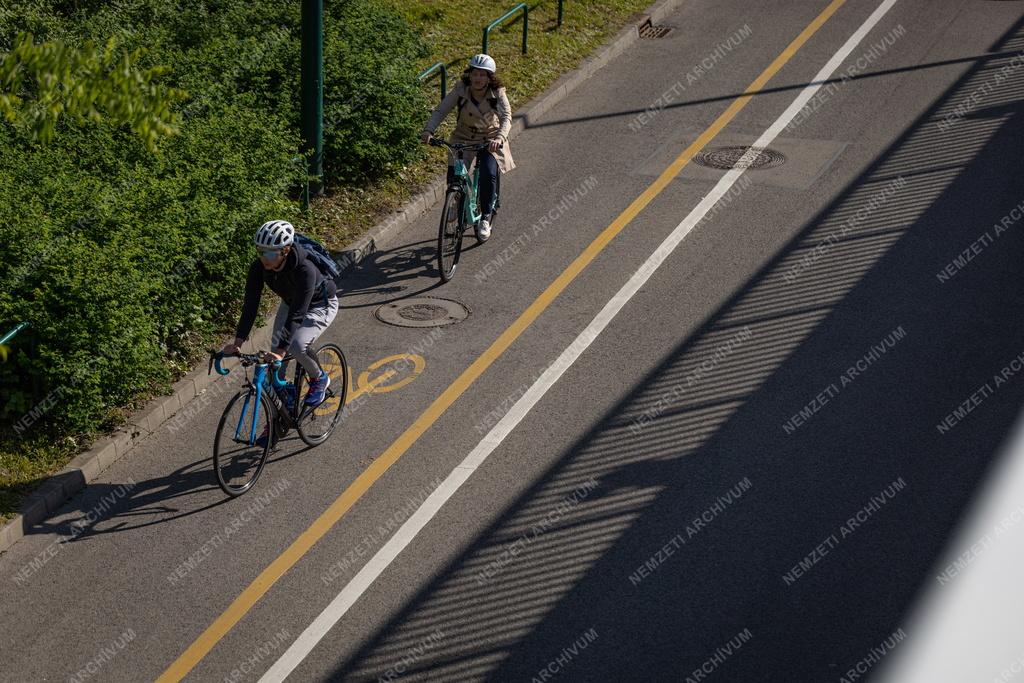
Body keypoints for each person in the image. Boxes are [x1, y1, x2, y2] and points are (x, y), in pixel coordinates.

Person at [221, 220, 339, 443]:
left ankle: (319, 378)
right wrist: (238, 342)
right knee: (275, 370)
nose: (265, 258)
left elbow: (298, 314)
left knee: (294, 345)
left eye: (271, 254)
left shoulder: (305, 269)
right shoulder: (259, 267)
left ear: (285, 251)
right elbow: (250, 305)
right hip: (290, 302)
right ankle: (278, 422)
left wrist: (281, 350)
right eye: (261, 251)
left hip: (320, 304)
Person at [422, 53, 515, 240]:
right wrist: (428, 130)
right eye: (475, 74)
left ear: (490, 77)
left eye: (483, 75)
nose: (478, 79)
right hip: (463, 137)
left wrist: (500, 138)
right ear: (469, 75)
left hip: (489, 139)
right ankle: (454, 202)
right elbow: (441, 110)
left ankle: (486, 218)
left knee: (488, 174)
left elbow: (506, 118)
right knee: (455, 173)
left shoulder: (497, 93)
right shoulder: (461, 90)